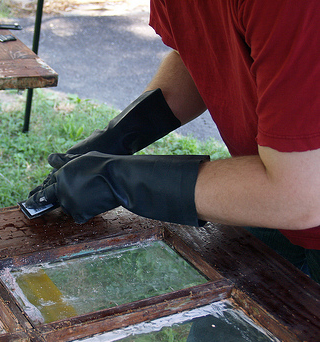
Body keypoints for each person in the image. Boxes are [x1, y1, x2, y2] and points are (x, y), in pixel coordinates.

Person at [26, 0, 320, 283]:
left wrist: (121, 180)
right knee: (222, 330)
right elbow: (200, 54)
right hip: (260, 193)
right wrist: (118, 135)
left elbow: (300, 194)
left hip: (291, 193)